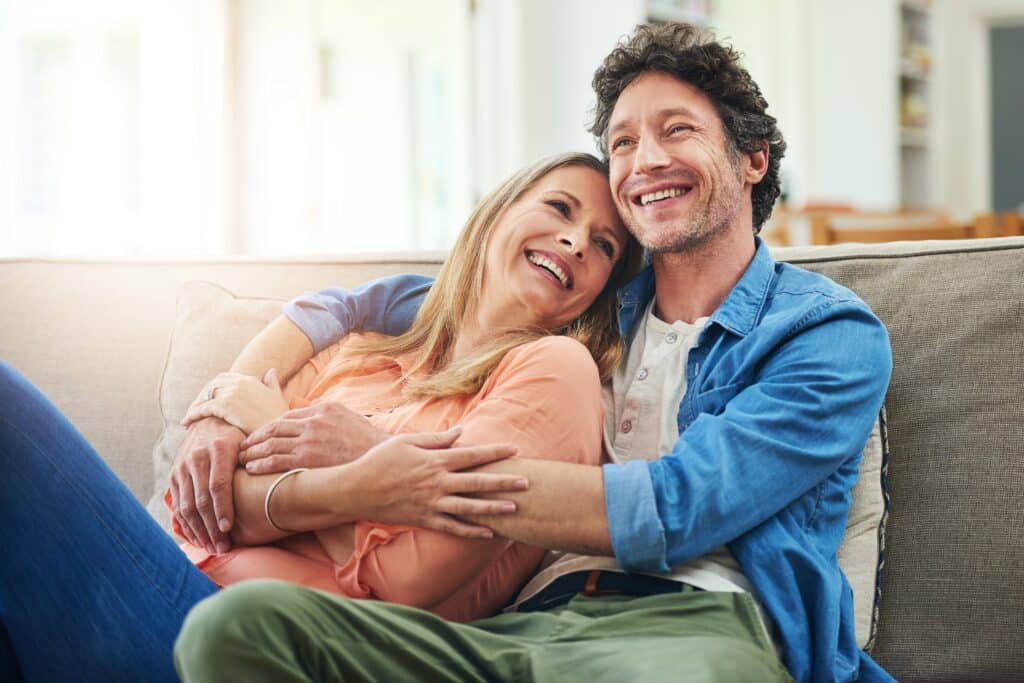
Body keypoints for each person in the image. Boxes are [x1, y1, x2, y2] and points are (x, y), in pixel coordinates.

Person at [173, 23, 894, 683]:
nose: (645, 161)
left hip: (694, 626)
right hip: (522, 624)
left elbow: (675, 508)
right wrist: (222, 408)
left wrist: (387, 460)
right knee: (238, 626)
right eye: (622, 144)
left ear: (752, 160)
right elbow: (366, 305)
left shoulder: (827, 335)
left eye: (677, 131)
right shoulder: (585, 301)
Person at [0, 151, 640, 682]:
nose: (575, 241)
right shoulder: (362, 351)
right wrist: (370, 494)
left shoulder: (556, 371)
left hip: (245, 642)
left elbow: (412, 580)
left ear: (601, 289)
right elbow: (216, 504)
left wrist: (336, 467)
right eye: (560, 208)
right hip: (170, 571)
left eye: (604, 246)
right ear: (500, 210)